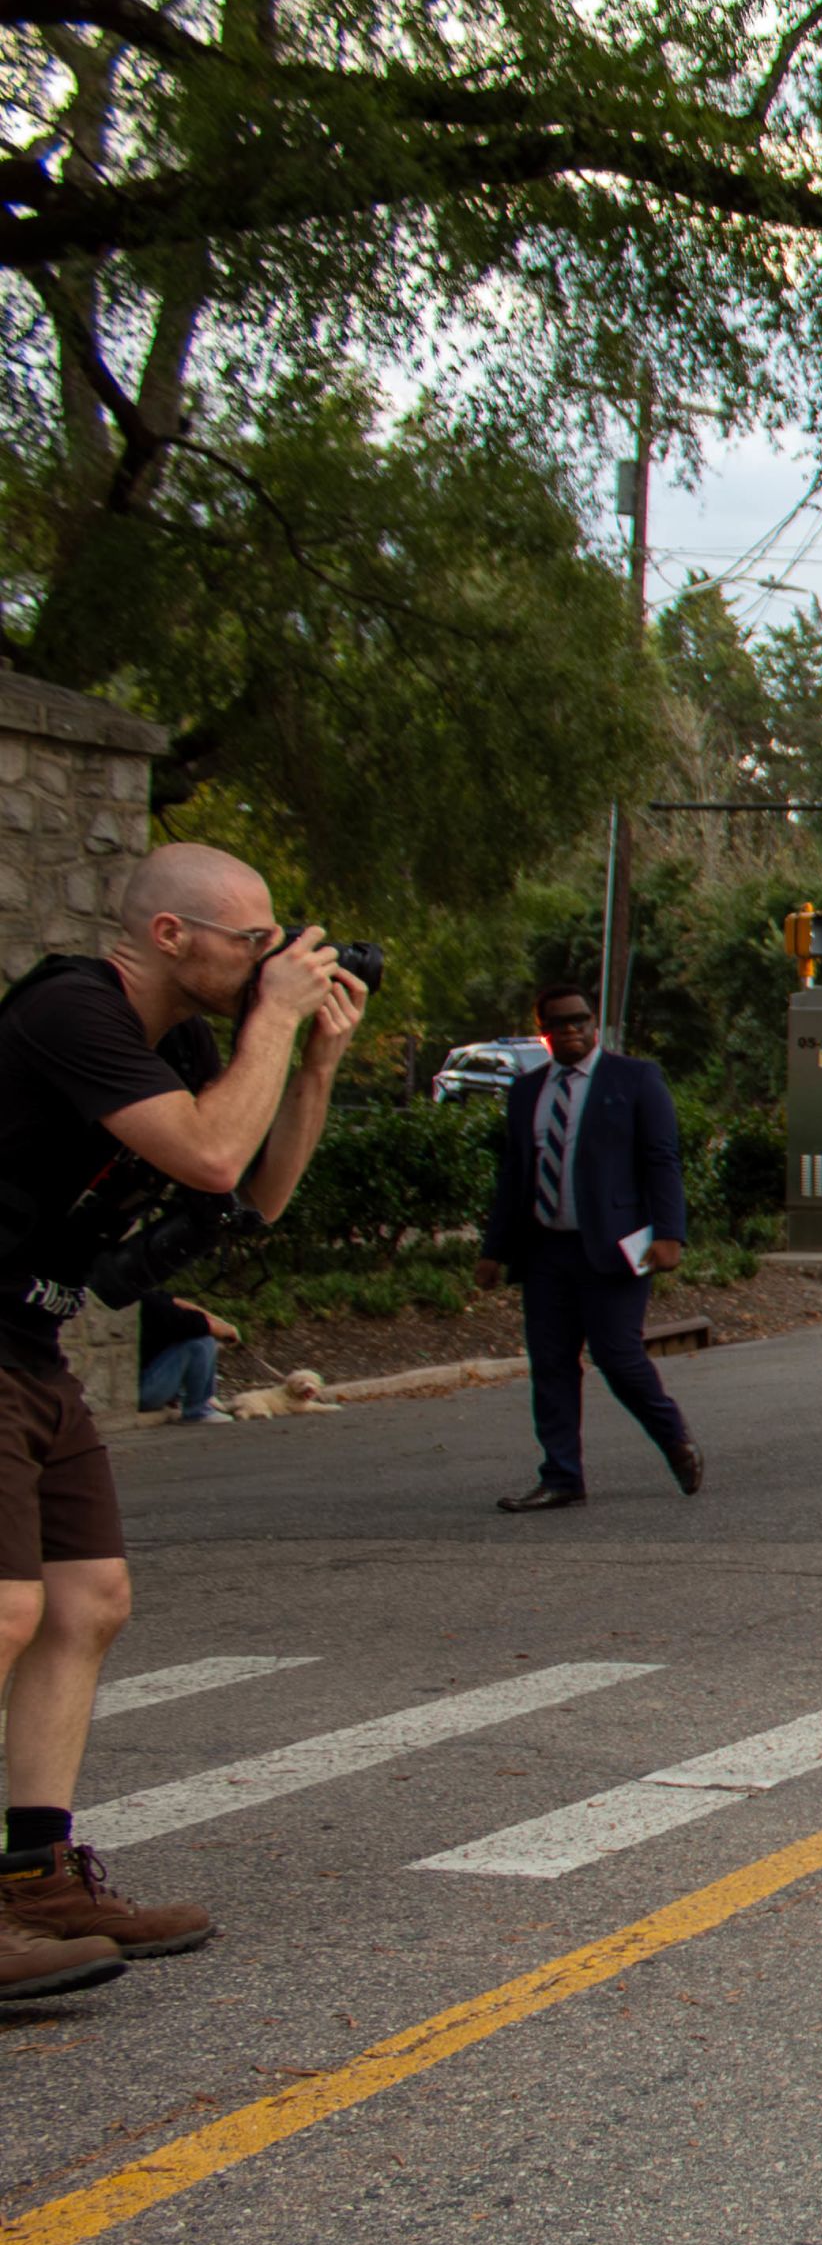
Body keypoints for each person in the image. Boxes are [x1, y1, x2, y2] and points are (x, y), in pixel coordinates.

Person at [0, 843, 364, 1991]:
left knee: (87, 1600)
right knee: (6, 1606)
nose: (269, 957)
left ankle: (33, 1875)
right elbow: (207, 1148)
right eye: (250, 939)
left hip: (29, 1339)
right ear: (169, 936)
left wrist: (311, 1062)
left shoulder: (188, 1046)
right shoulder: (72, 1011)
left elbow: (251, 1192)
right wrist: (275, 1020)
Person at [477, 982, 700, 1514]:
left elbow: (662, 1160)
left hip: (614, 1248)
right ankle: (561, 1476)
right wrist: (494, 1249)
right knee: (551, 1363)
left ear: (594, 1023)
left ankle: (674, 1438)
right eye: (559, 1023)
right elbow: (514, 1175)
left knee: (617, 1357)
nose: (572, 1029)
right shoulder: (526, 1091)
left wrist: (670, 1234)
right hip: (545, 1251)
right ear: (544, 1033)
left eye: (580, 1019)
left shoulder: (635, 1079)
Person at [136, 1292, 235, 1424]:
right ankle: (198, 1410)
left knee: (196, 1338)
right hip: (142, 1394)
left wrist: (222, 1323)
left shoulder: (144, 1297)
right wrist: (224, 1329)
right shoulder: (148, 1303)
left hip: (144, 1388)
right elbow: (194, 1323)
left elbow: (176, 1302)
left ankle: (189, 1397)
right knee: (202, 1342)